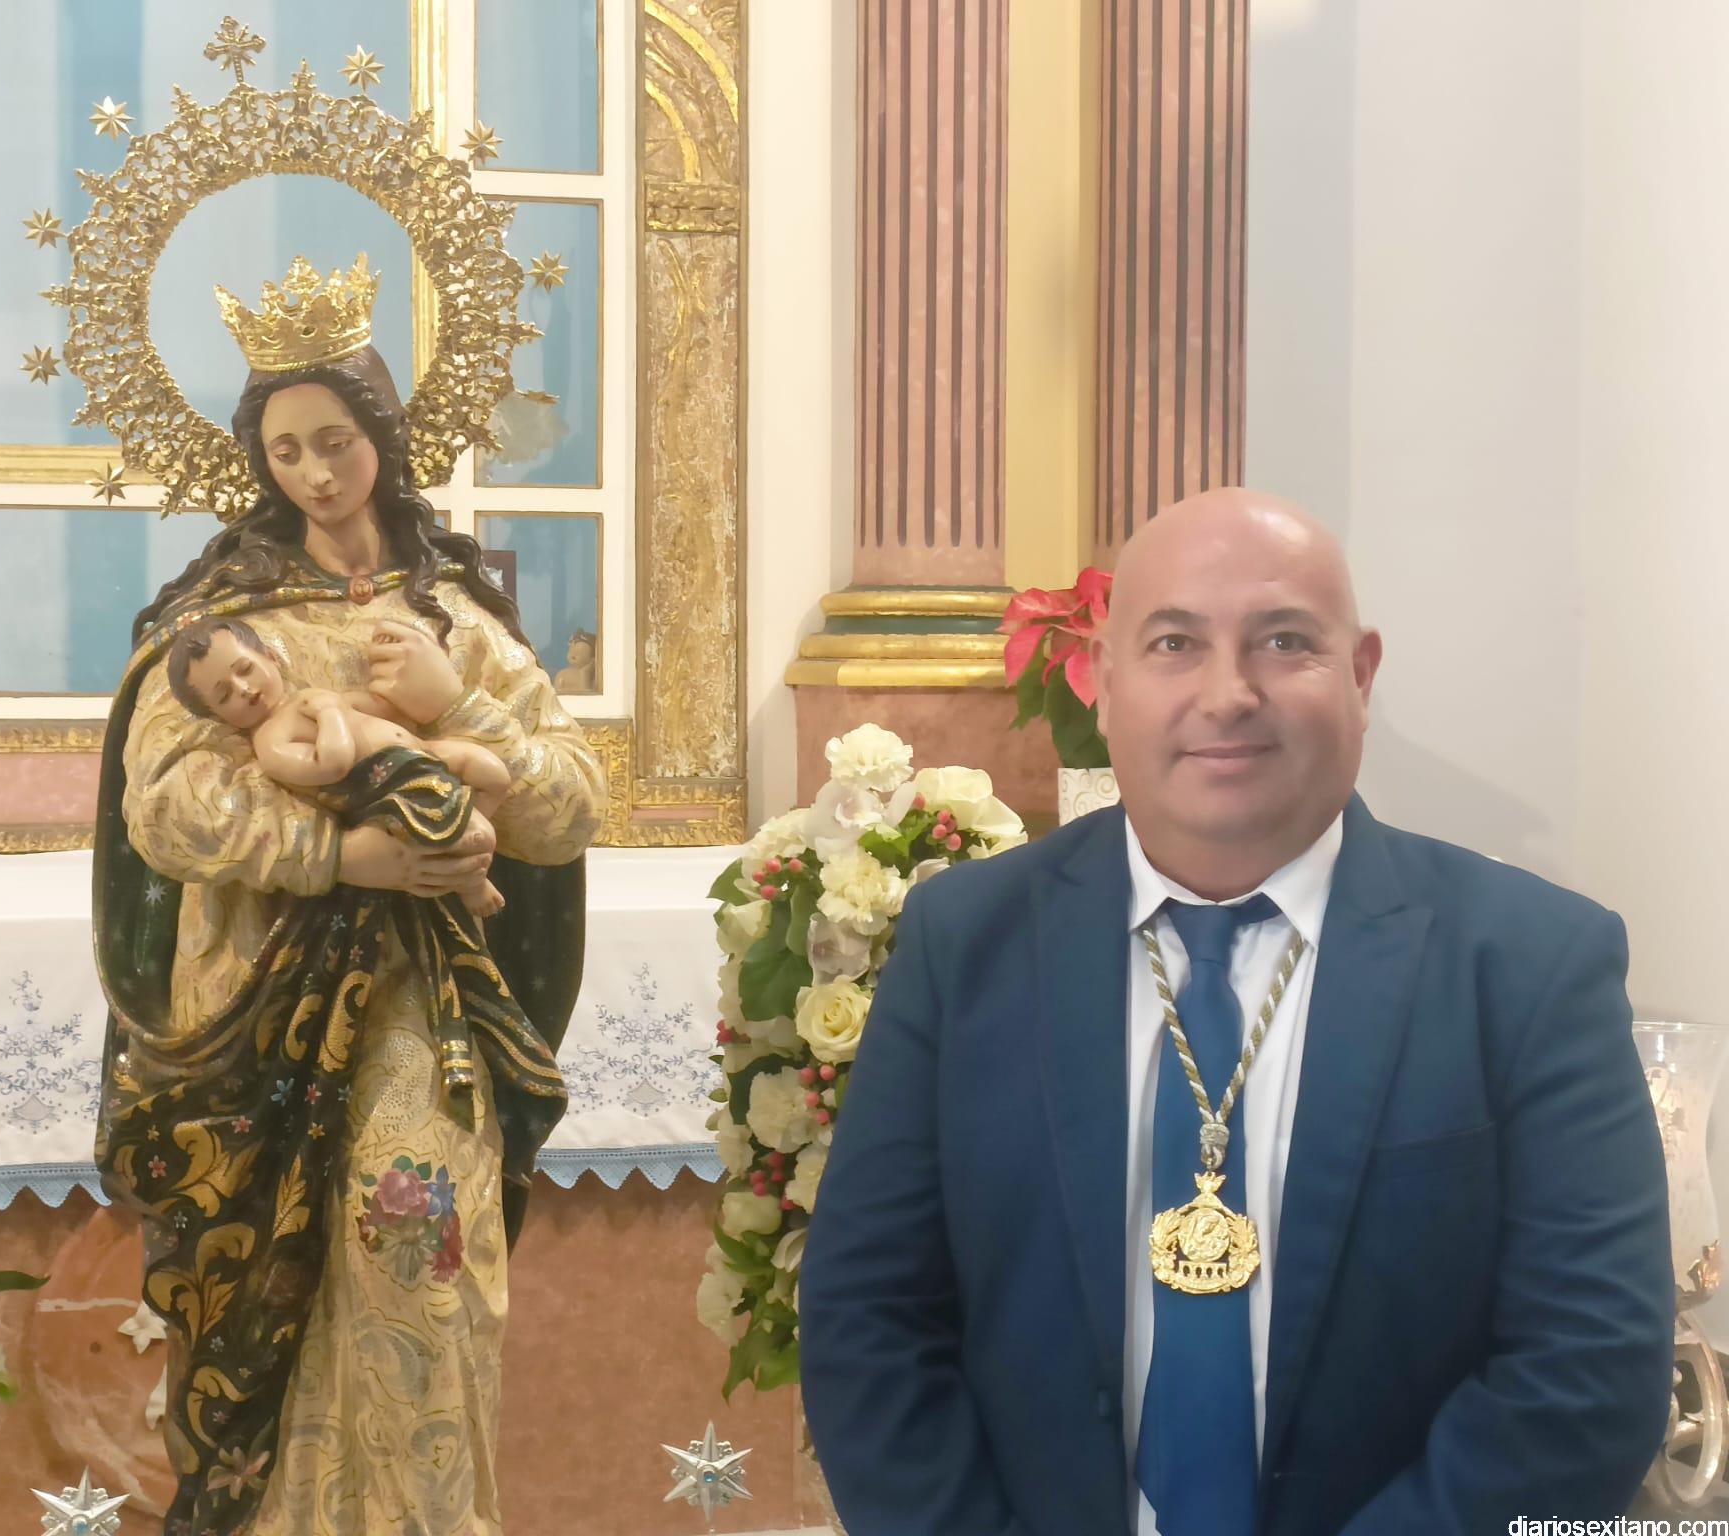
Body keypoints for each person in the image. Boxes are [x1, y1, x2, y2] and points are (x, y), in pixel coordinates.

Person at [800, 488, 1673, 1534]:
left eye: (1284, 642)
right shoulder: (964, 945)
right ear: (1105, 681)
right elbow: (869, 1321)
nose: (1228, 695)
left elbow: (1588, 1371)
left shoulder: (1529, 965)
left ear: (1360, 677)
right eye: (1174, 643)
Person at [92, 255, 606, 1536]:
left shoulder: (457, 622)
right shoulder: (223, 625)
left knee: (418, 1274)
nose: (315, 474)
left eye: (334, 442)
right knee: (270, 1299)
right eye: (286, 452)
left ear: (381, 434)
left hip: (419, 1012)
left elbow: (566, 808)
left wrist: (455, 705)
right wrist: (345, 858)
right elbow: (167, 806)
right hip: (258, 1017)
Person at [165, 613, 512, 913]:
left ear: (269, 657)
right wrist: (330, 711)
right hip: (391, 787)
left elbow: (384, 709)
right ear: (219, 716)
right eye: (225, 694)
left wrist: (398, 679)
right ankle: (470, 881)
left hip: (423, 753)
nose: (242, 688)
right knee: (480, 836)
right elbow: (333, 764)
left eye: (245, 669)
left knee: (493, 774)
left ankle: (460, 847)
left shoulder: (307, 698)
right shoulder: (271, 741)